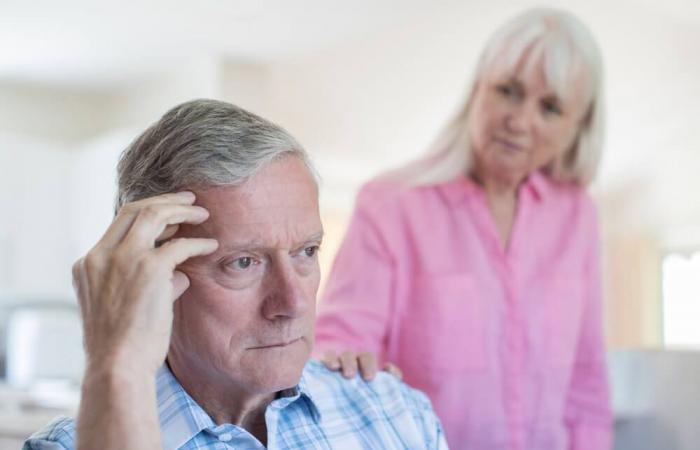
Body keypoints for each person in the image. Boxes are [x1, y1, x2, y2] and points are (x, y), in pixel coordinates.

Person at [24, 99, 447, 450]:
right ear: (150, 276)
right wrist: (118, 363)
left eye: (306, 252)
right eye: (243, 262)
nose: (293, 303)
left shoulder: (396, 413)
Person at [315, 8, 612, 450]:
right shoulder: (390, 204)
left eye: (550, 107)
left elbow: (585, 385)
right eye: (508, 92)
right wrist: (341, 361)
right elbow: (339, 349)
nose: (520, 120)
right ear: (478, 90)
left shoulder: (577, 216)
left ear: (576, 129)